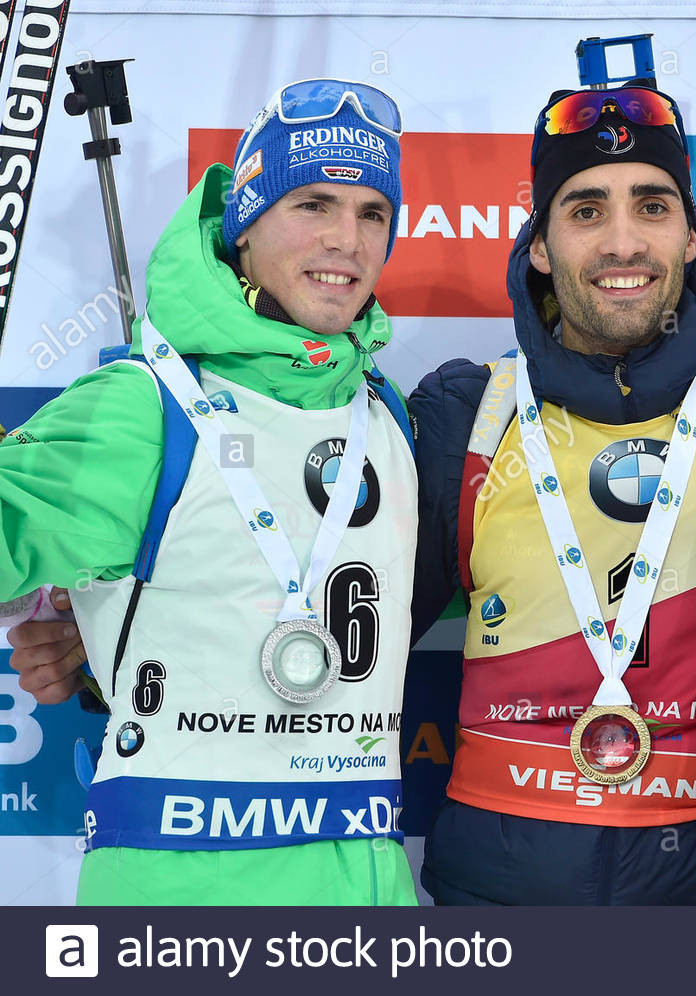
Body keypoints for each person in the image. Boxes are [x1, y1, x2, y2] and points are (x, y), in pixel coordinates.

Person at [1, 79, 419, 905]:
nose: (347, 240)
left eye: (374, 213)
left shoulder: (387, 414)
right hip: (181, 906)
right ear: (246, 221)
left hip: (372, 896)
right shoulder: (141, 406)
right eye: (313, 203)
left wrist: (107, 650)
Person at [402, 81, 696, 905]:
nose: (623, 243)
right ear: (537, 245)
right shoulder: (466, 417)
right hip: (500, 901)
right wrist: (110, 653)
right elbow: (343, 639)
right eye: (586, 210)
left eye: (654, 207)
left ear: (695, 239)